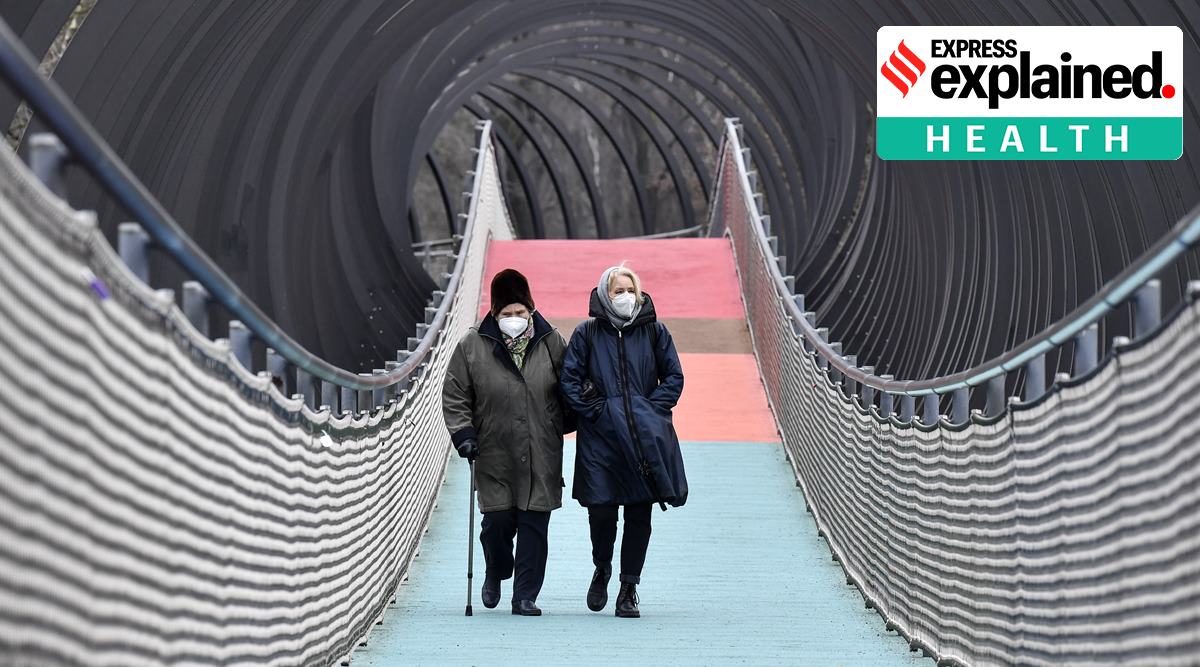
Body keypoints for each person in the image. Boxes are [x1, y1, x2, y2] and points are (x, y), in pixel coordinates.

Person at [442, 268, 572, 616]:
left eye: (520, 312)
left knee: (534, 524)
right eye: (506, 314)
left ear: (531, 309)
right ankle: (496, 570)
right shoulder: (472, 345)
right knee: (497, 522)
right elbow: (456, 393)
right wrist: (463, 433)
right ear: (494, 313)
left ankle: (525, 596)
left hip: (541, 450)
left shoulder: (551, 342)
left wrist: (572, 416)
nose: (514, 319)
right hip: (492, 450)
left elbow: (571, 383)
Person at [559, 265, 687, 618]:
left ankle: (629, 587)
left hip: (642, 441)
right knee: (600, 511)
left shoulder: (655, 333)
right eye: (617, 290)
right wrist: (599, 412)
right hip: (600, 440)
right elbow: (570, 380)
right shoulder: (586, 334)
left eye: (630, 289)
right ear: (604, 294)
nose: (625, 296)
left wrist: (649, 411)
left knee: (639, 513)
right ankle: (602, 567)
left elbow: (674, 377)